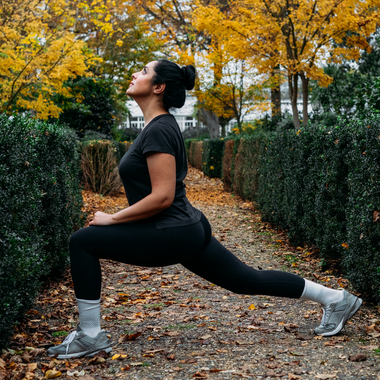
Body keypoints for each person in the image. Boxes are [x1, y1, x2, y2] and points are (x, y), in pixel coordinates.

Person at [47, 60, 362, 359]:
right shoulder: (158, 126)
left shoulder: (159, 129)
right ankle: (336, 299)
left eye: (143, 71)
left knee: (82, 241)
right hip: (184, 227)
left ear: (158, 87)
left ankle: (90, 335)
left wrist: (112, 219)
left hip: (172, 229)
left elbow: (162, 197)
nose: (134, 74)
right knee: (245, 280)